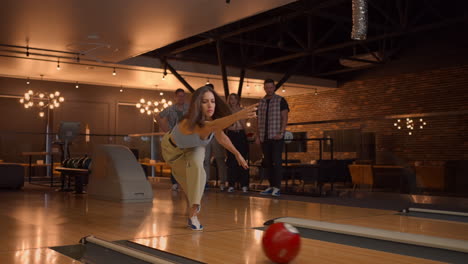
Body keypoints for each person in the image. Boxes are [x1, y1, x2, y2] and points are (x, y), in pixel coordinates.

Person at [161, 85, 257, 231]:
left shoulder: (212, 122)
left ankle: (193, 216)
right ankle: (193, 207)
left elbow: (221, 137)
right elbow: (211, 126)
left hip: (194, 148)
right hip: (173, 153)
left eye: (212, 101)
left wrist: (237, 154)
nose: (210, 105)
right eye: (205, 101)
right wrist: (237, 115)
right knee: (190, 186)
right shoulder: (189, 122)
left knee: (198, 171)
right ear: (197, 104)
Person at [256, 79, 289, 197]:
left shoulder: (281, 100)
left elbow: (284, 117)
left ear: (274, 88)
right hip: (264, 137)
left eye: (270, 87)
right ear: (264, 88)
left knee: (277, 161)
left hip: (276, 136)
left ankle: (277, 187)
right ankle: (271, 186)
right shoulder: (261, 102)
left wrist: (281, 132)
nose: (268, 89)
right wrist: (258, 136)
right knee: (268, 162)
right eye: (266, 88)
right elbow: (258, 120)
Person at [156, 88, 189, 191]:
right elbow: (158, 116)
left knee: (186, 160)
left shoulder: (188, 108)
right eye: (179, 96)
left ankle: (185, 182)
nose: (181, 98)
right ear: (175, 97)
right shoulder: (170, 109)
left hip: (187, 137)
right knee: (175, 160)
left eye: (183, 96)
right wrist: (166, 130)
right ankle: (174, 182)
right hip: (174, 137)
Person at [226, 93, 249, 193]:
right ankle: (231, 184)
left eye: (235, 99)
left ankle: (244, 184)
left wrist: (239, 117)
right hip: (230, 134)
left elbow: (244, 125)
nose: (233, 101)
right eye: (231, 99)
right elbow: (225, 125)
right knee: (231, 159)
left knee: (242, 159)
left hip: (240, 134)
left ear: (238, 100)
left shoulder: (243, 110)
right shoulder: (227, 111)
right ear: (229, 100)